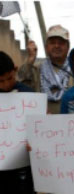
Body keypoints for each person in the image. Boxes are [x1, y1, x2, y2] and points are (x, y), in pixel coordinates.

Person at [18, 25, 74, 114]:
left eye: (61, 43)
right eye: (52, 42)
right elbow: (21, 82)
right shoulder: (37, 69)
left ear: (68, 47)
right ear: (46, 47)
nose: (56, 46)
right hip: (42, 122)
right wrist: (31, 58)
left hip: (70, 122)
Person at [0, 51, 35, 193]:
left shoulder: (28, 95)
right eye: (1, 81)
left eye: (9, 78)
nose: (6, 84)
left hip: (23, 166)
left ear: (14, 70)